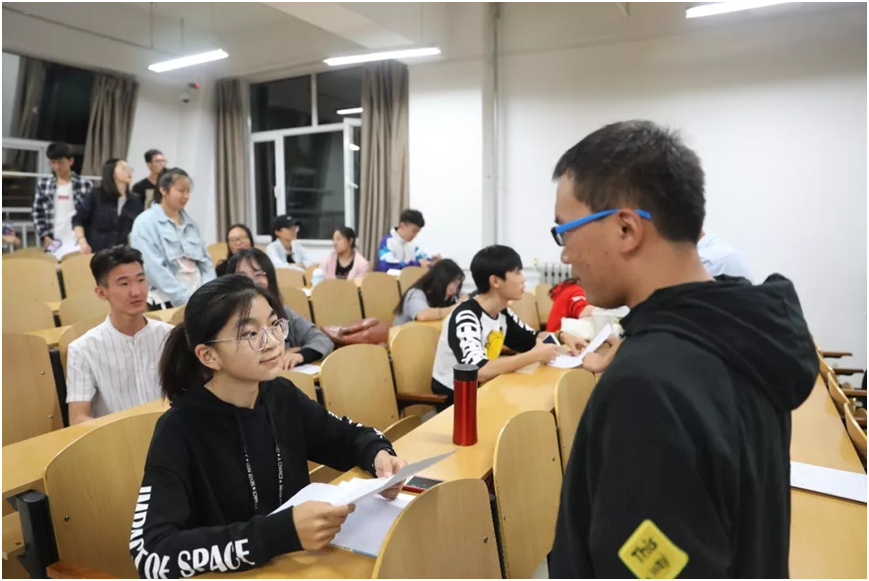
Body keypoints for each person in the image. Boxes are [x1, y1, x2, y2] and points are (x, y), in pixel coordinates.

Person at [548, 120, 817, 578]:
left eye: (565, 232)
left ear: (626, 228)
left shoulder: (647, 383)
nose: (565, 255)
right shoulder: (744, 334)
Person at [130, 275, 407, 578]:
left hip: (296, 568)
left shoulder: (280, 395)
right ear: (209, 355)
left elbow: (345, 437)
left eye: (275, 325)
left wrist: (378, 454)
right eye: (250, 334)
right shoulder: (178, 430)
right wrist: (280, 532)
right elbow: (151, 554)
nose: (273, 342)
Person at [431, 245, 585, 410]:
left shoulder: (502, 312)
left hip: (486, 391)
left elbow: (531, 338)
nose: (523, 279)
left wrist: (562, 336)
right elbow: (478, 370)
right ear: (495, 281)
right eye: (517, 272)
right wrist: (534, 356)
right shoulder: (465, 316)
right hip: (457, 401)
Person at [66, 246, 172, 425]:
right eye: (124, 284)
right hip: (117, 438)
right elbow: (78, 419)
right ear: (101, 292)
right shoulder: (82, 350)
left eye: (141, 280)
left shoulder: (169, 335)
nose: (136, 291)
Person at [223, 248, 334, 369]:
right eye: (242, 277)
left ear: (269, 278)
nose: (251, 281)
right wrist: (283, 352)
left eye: (258, 274)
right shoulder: (227, 319)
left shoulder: (280, 310)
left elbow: (322, 339)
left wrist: (301, 354)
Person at [130, 168, 215, 309]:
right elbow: (153, 268)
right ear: (163, 190)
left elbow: (206, 262)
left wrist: (208, 293)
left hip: (200, 298)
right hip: (166, 299)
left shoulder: (191, 224)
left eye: (188, 191)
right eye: (181, 191)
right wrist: (184, 299)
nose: (186, 196)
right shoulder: (145, 222)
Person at [32, 142, 94, 258]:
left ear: (71, 161)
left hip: (78, 241)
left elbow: (91, 214)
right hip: (53, 241)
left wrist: (84, 238)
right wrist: (44, 235)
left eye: (60, 162)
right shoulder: (44, 185)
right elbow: (37, 212)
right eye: (53, 162)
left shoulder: (85, 185)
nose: (56, 166)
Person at [72, 158, 143, 254]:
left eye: (129, 168)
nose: (128, 171)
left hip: (120, 253)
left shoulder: (135, 201)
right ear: (112, 173)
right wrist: (82, 240)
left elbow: (140, 227)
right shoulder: (96, 195)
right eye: (123, 168)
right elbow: (78, 220)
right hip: (95, 251)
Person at [393, 258, 465, 326]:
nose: (455, 290)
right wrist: (453, 309)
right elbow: (422, 315)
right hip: (405, 334)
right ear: (441, 281)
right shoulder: (415, 293)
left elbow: (463, 296)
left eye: (458, 285)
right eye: (454, 284)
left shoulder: (448, 296)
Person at [375, 208, 439, 272]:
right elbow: (386, 265)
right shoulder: (387, 242)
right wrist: (416, 265)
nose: (415, 235)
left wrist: (433, 261)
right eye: (414, 231)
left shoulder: (413, 246)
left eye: (417, 232)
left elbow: (424, 259)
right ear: (402, 225)